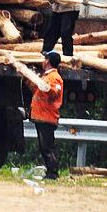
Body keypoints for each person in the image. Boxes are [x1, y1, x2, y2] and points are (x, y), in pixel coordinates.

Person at [28, 50, 64, 180]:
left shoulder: (54, 78)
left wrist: (46, 87)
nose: (43, 61)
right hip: (41, 116)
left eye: (45, 59)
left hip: (47, 117)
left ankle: (53, 173)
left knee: (47, 147)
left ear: (48, 61)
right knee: (44, 147)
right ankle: (50, 172)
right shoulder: (46, 76)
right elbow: (37, 91)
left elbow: (54, 92)